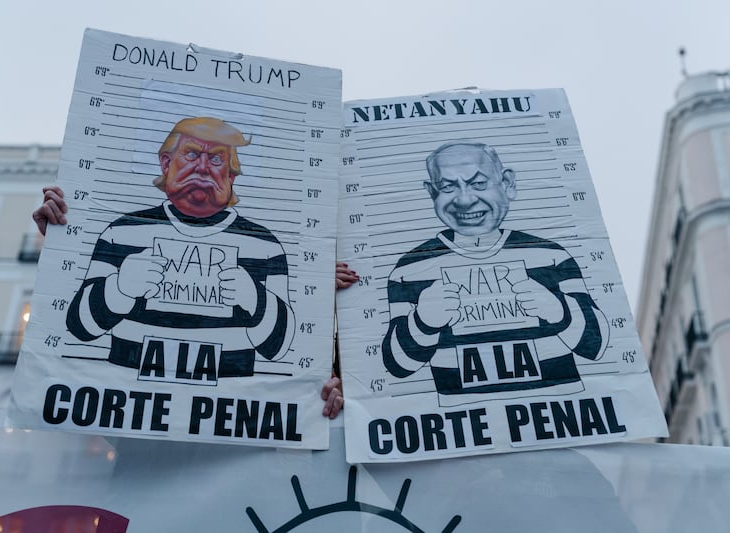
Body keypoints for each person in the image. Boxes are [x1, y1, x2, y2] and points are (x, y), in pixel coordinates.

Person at [33, 118, 345, 418]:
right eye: (192, 154)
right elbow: (79, 326)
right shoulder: (120, 231)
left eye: (217, 159)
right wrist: (117, 287)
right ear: (166, 163)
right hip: (129, 423)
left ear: (232, 175)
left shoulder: (266, 245)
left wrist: (255, 300)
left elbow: (279, 346)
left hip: (237, 426)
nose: (202, 167)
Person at [382, 142, 609, 405]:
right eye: (447, 187)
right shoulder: (408, 270)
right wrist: (422, 321)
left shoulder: (552, 255)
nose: (464, 200)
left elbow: (597, 345)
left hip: (561, 416)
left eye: (478, 184)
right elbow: (398, 366)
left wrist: (557, 309)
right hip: (462, 425)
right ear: (431, 192)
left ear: (507, 184)